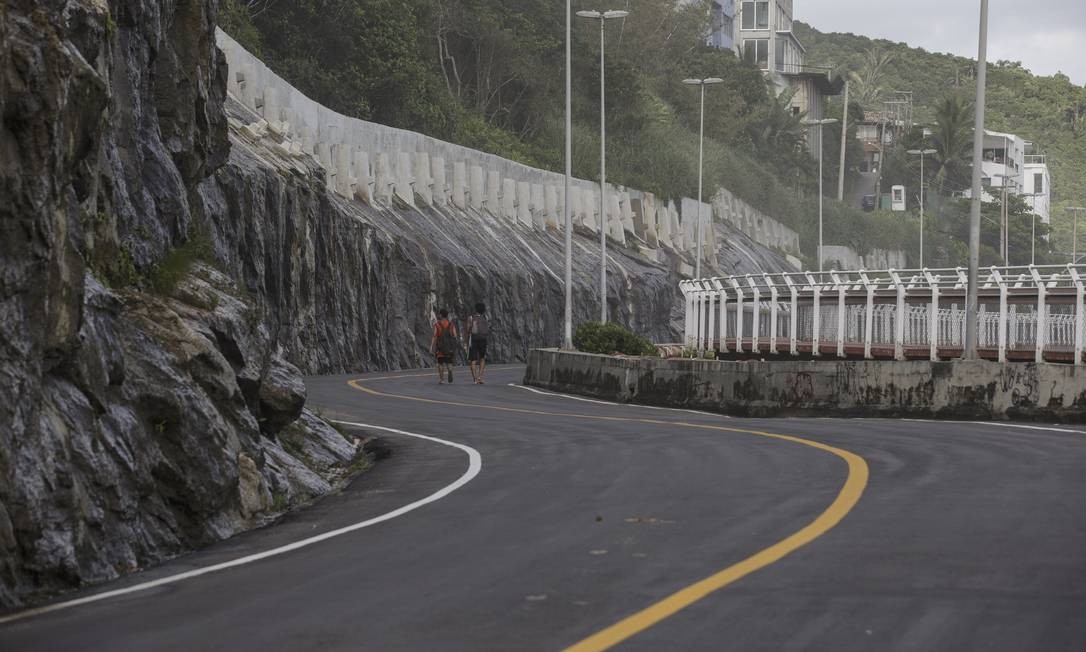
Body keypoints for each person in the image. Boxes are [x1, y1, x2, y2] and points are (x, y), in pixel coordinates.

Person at [430, 309, 458, 384]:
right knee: (449, 362)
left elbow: (434, 336)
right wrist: (454, 346)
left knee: (440, 363)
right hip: (449, 348)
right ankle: (450, 370)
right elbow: (455, 335)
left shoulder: (437, 325)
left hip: (440, 348)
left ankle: (442, 379)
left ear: (441, 315)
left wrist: (431, 346)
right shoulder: (451, 324)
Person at [465, 302, 490, 384]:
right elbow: (488, 329)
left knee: (473, 359)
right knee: (482, 358)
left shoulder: (471, 318)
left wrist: (467, 337)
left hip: (474, 339)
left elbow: (468, 330)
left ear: (476, 309)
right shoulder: (485, 317)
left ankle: (475, 379)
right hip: (483, 339)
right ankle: (480, 377)